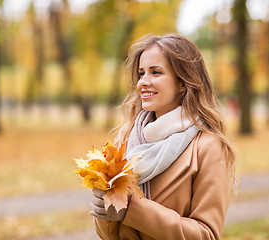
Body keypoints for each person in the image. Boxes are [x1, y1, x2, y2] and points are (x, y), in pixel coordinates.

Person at [89, 33, 236, 240]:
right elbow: (111, 236)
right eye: (141, 74)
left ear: (183, 83)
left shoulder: (207, 147)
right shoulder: (128, 139)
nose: (143, 82)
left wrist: (132, 209)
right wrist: (104, 212)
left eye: (155, 73)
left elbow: (207, 235)